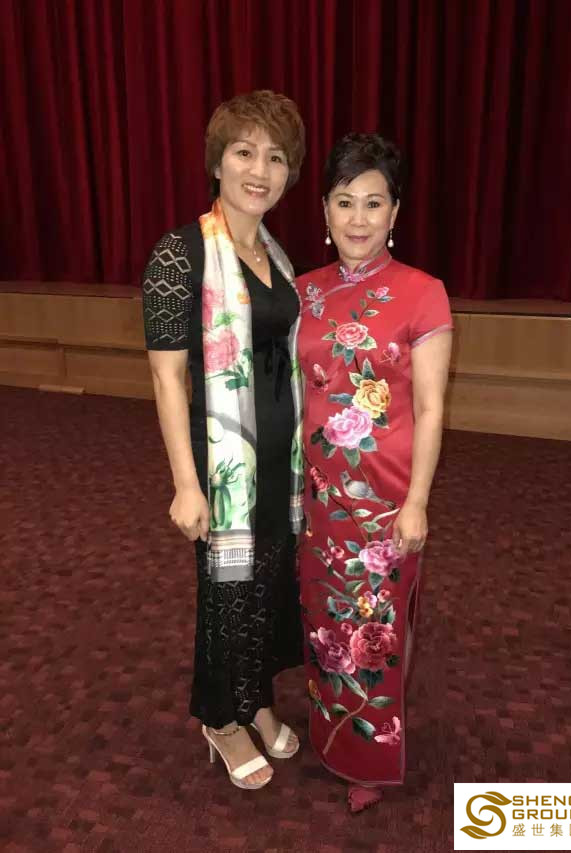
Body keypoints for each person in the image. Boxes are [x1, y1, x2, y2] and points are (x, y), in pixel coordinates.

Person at [142, 90, 306, 791]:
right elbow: (166, 375)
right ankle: (221, 717)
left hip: (280, 458)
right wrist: (186, 483)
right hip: (223, 464)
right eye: (244, 152)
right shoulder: (179, 254)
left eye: (276, 157)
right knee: (225, 595)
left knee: (268, 584)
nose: (259, 170)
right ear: (218, 161)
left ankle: (256, 697)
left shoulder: (277, 255)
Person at [296, 133, 453, 811]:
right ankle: (329, 732)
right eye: (344, 201)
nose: (357, 218)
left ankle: (372, 755)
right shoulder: (302, 292)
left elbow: (432, 406)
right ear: (324, 211)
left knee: (375, 629)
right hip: (318, 496)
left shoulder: (423, 293)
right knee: (325, 620)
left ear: (395, 212)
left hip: (385, 499)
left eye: (373, 202)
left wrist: (418, 500)